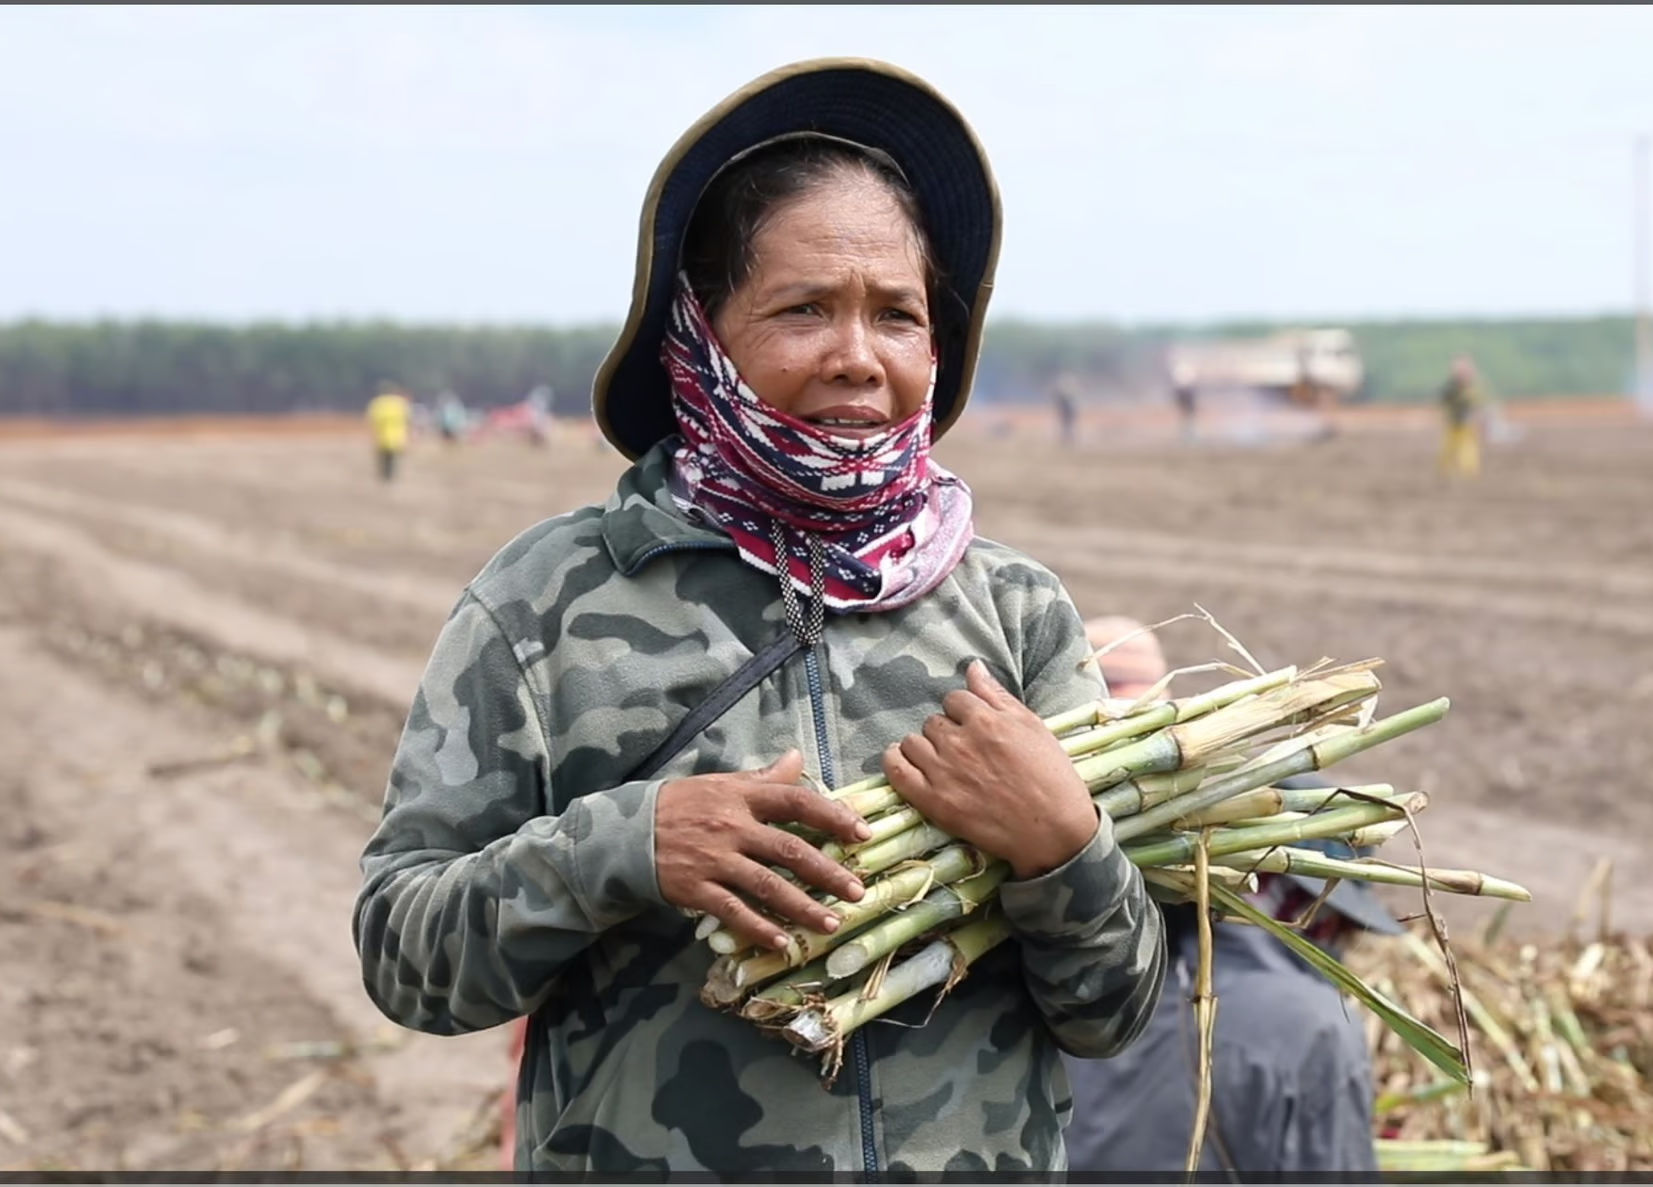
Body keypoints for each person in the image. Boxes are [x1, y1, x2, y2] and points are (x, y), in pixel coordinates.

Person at [353, 58, 1164, 1175]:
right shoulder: (546, 604)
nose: (857, 357)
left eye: (895, 313)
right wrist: (626, 843)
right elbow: (404, 955)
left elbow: (1113, 1012)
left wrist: (1060, 846)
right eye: (802, 309)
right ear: (700, 329)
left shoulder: (1013, 611)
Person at [1064, 615, 1399, 1176]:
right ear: (1286, 902)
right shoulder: (1310, 1025)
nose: (1340, 942)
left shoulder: (1074, 979)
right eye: (1329, 919)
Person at [1438, 355, 1485, 478]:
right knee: (1448, 448)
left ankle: (1469, 472)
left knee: (1468, 448)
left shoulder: (1471, 389)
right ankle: (1445, 470)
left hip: (1466, 424)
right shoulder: (1450, 389)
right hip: (1453, 423)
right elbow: (1444, 404)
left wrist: (1477, 419)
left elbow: (1476, 405)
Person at [364, 382, 411, 483]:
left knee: (383, 458)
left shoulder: (377, 403)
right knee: (392, 458)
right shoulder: (400, 403)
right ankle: (390, 476)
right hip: (397, 437)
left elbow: (372, 420)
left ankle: (384, 476)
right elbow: (407, 420)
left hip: (382, 436)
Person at [1053, 373, 1081, 447]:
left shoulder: (1064, 394)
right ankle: (1068, 440)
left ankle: (1068, 440)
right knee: (1067, 426)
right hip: (1067, 412)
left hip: (1068, 412)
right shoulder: (1069, 393)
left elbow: (1059, 403)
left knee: (1067, 426)